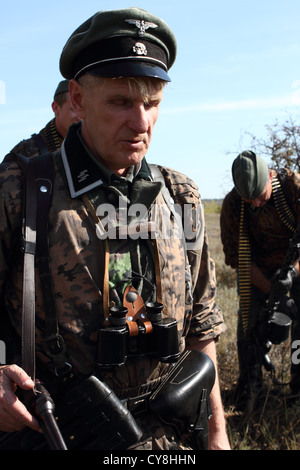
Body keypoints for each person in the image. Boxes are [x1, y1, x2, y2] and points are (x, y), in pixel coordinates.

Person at [0, 7, 230, 450]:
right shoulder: (23, 190)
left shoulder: (181, 196)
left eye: (152, 103)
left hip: (172, 439)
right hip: (61, 434)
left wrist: (217, 433)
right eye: (121, 102)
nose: (141, 123)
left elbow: (202, 328)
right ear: (79, 99)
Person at [220, 150, 300, 410]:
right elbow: (237, 257)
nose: (255, 203)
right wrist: (273, 291)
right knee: (249, 326)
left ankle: (297, 390)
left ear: (270, 178)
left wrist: (293, 274)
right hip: (257, 272)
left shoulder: (292, 189)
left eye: (260, 197)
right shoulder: (234, 205)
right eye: (249, 199)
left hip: (296, 267)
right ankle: (250, 392)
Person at [4, 80, 79, 160]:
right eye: (74, 109)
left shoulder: (90, 146)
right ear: (56, 108)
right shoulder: (27, 150)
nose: (80, 116)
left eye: (85, 109)